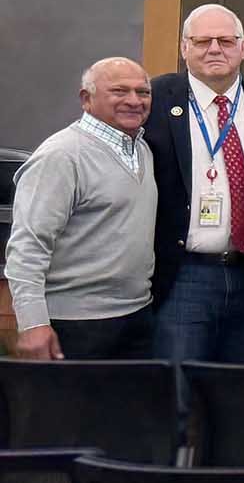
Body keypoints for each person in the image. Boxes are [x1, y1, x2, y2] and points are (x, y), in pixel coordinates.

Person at [147, 3, 244, 365]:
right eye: (202, 41)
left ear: (243, 48)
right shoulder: (153, 101)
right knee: (179, 394)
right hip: (184, 275)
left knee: (243, 395)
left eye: (226, 41)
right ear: (184, 48)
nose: (215, 49)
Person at [6, 58, 157, 360]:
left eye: (143, 92)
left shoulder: (140, 148)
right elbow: (27, 246)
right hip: (75, 325)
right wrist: (33, 322)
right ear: (86, 99)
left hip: (136, 317)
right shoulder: (60, 156)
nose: (134, 100)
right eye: (119, 91)